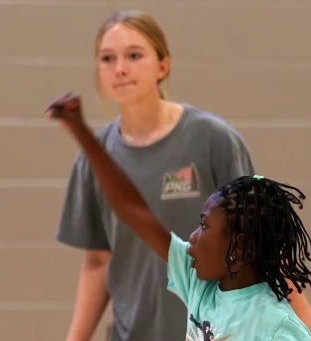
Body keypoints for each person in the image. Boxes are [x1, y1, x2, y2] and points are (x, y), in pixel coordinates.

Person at [49, 9, 311, 341]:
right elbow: (124, 224)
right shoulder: (95, 159)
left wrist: (303, 318)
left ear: (163, 64)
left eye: (133, 54)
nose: (120, 68)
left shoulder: (214, 139)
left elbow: (265, 238)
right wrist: (81, 131)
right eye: (107, 58)